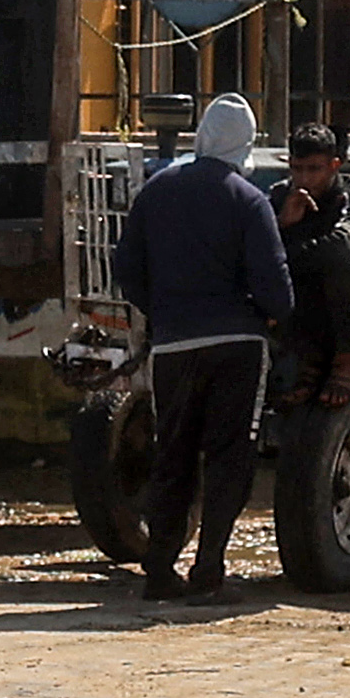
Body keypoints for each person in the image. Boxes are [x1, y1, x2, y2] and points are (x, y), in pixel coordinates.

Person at [117, 91, 293, 602]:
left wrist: (165, 313)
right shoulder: (250, 199)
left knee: (172, 453)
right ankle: (210, 567)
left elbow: (127, 269)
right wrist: (266, 317)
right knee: (228, 455)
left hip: (173, 347)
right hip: (237, 345)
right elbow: (277, 289)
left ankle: (160, 566)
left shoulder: (156, 191)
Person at [270, 116, 350, 420]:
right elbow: (257, 252)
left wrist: (289, 252)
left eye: (314, 169)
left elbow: (344, 250)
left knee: (345, 269)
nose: (304, 178)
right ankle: (308, 361)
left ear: (334, 166)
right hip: (308, 312)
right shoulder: (281, 196)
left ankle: (346, 361)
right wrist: (282, 225)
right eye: (297, 169)